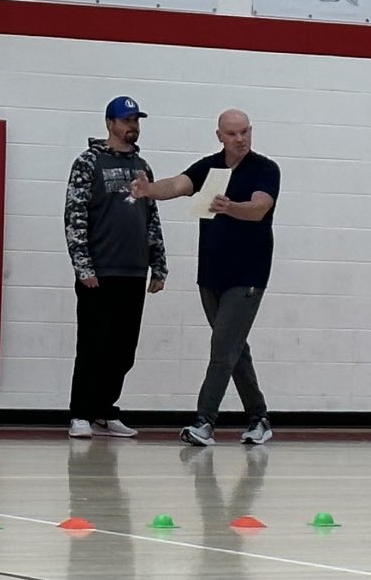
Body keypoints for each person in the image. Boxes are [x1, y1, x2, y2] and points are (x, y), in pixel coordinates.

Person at [131, 109, 280, 447]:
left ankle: (204, 422)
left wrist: (230, 207)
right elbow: (177, 185)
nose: (239, 139)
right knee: (234, 348)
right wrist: (147, 190)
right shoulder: (209, 167)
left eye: (244, 132)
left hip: (248, 276)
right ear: (219, 136)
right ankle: (259, 418)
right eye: (232, 133)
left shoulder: (265, 169)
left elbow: (259, 209)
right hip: (211, 274)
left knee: (222, 348)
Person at [65, 96, 168, 439]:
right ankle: (80, 413)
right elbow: (75, 216)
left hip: (133, 271)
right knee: (93, 345)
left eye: (136, 119)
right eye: (126, 120)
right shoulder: (87, 163)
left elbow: (151, 217)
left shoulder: (142, 167)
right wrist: (83, 266)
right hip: (99, 271)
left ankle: (104, 411)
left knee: (123, 350)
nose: (132, 126)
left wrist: (159, 264)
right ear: (109, 123)